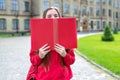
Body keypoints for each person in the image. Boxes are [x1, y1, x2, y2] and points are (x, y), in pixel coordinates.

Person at [26, 7, 75, 80]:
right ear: (44, 19)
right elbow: (33, 60)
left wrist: (65, 55)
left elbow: (71, 60)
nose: (53, 18)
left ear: (59, 17)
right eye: (49, 16)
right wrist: (40, 56)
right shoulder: (38, 36)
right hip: (43, 77)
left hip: (62, 77)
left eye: (55, 15)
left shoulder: (66, 36)